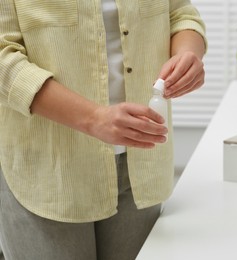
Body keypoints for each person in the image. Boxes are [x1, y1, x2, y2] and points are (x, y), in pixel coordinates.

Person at [0, 0, 206, 259]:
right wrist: (94, 118)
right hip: (49, 172)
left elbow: (180, 14)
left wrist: (188, 54)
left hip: (141, 167)